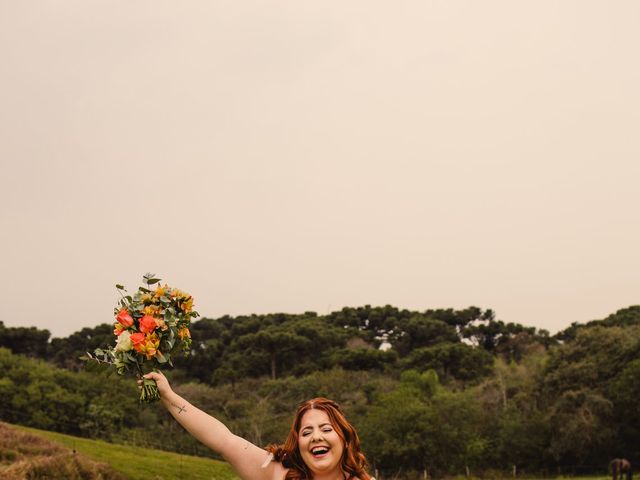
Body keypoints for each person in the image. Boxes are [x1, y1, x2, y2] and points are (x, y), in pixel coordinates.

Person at [141, 371, 373, 480]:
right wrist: (168, 396)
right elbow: (223, 439)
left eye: (326, 429)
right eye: (306, 431)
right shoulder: (277, 473)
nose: (316, 437)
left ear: (344, 437)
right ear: (298, 443)